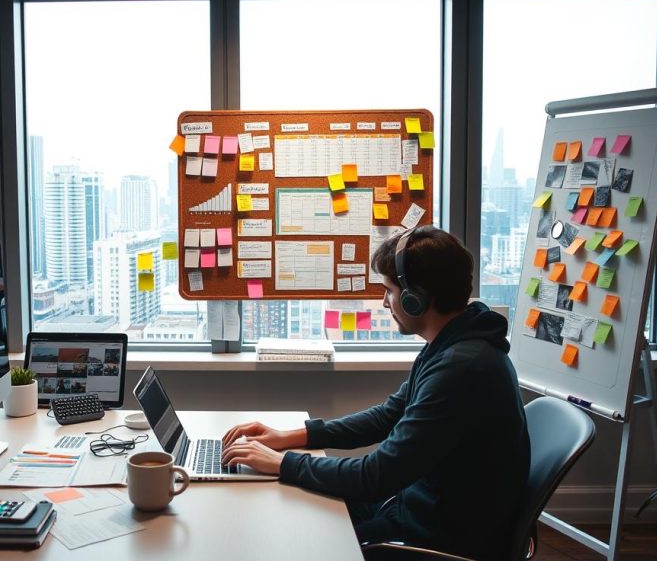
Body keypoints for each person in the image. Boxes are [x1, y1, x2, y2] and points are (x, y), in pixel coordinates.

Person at [221, 226, 530, 560]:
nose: (385, 302)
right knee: (293, 503)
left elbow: (376, 476)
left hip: (435, 535)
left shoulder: (461, 369)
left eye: (389, 290)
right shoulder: (453, 343)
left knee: (297, 540)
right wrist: (290, 437)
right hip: (415, 506)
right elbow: (387, 416)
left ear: (416, 298)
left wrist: (283, 463)